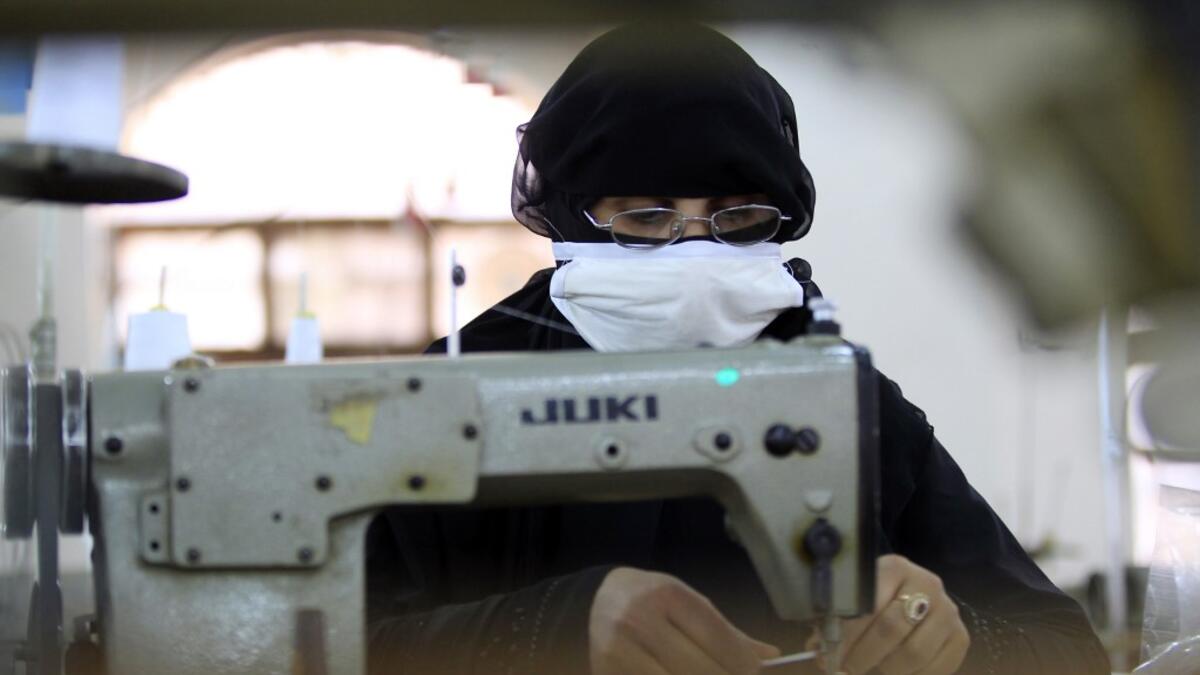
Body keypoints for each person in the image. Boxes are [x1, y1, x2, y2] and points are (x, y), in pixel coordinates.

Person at [367, 23, 1109, 675]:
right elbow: (297, 647)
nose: (695, 254)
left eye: (737, 218)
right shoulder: (457, 390)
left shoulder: (840, 393)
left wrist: (956, 640)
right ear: (574, 216)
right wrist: (542, 632)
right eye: (647, 218)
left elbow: (1066, 649)